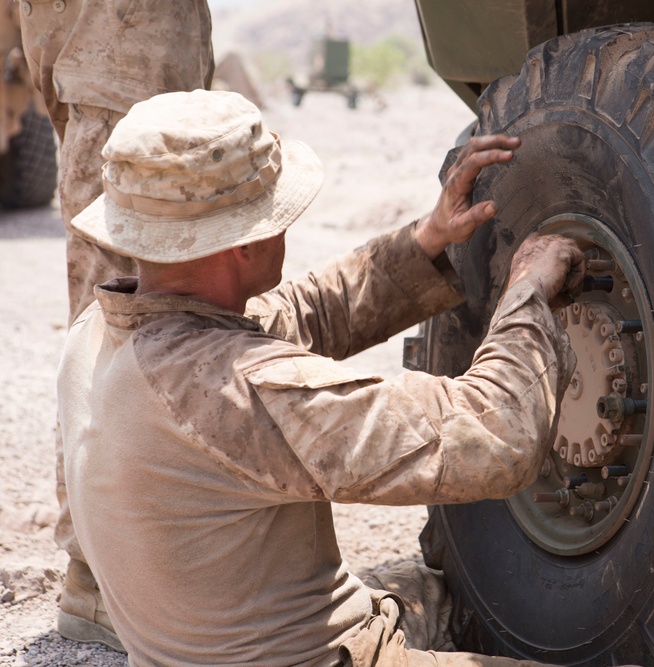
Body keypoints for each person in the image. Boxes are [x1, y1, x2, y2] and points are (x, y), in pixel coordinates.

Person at [56, 88, 585, 665]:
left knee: (439, 588)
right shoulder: (233, 392)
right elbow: (497, 434)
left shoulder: (104, 333)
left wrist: (429, 237)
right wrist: (528, 290)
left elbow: (305, 313)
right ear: (244, 242)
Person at [16, 0, 214, 648]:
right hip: (123, 90)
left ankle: (110, 569)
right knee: (126, 319)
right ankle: (104, 579)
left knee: (134, 316)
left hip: (122, 83)